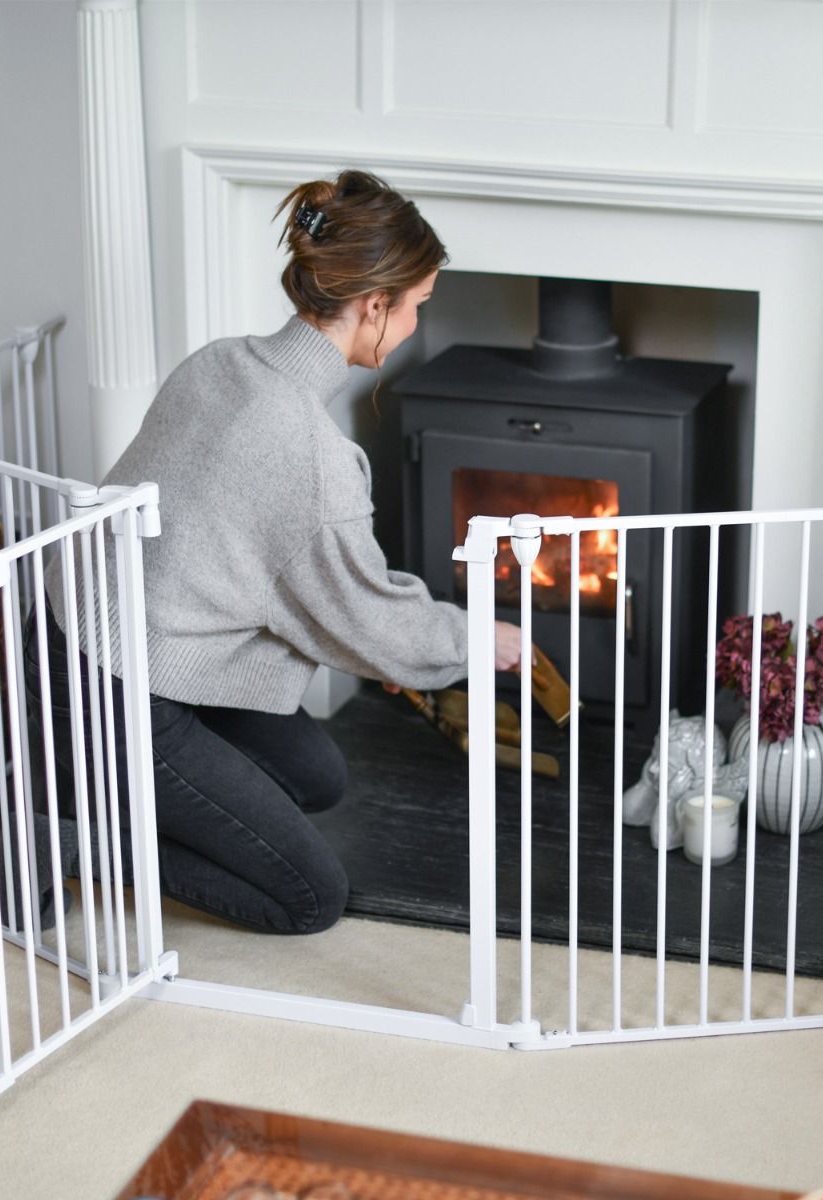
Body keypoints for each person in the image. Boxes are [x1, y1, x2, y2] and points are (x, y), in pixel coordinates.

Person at [26, 169, 521, 936]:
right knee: (307, 897)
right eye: (418, 306)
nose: (417, 326)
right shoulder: (311, 457)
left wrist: (372, 644)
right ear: (373, 305)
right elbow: (368, 615)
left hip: (63, 632)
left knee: (314, 778)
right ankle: (72, 835)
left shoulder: (220, 361)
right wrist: (476, 639)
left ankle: (104, 790)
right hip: (112, 688)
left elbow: (270, 570)